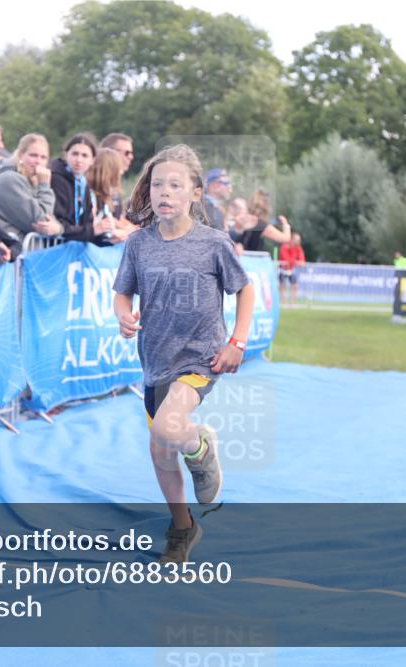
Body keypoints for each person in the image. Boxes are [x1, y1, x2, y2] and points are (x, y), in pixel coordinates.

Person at [113, 144, 255, 563]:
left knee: (171, 427)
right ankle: (182, 527)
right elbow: (122, 294)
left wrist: (238, 342)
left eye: (175, 185)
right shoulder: (139, 245)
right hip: (156, 358)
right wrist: (123, 316)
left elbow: (244, 289)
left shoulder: (213, 243)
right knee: (160, 448)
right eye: (158, 184)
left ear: (196, 193)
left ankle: (201, 447)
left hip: (200, 357)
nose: (164, 192)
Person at [0, 132, 57, 242]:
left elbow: (52, 221)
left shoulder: (28, 180)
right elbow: (42, 222)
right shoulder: (10, 180)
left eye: (43, 157)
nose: (38, 161)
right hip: (9, 252)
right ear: (21, 155)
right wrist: (44, 186)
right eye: (33, 155)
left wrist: (57, 229)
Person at [39, 132, 97, 242]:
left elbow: (88, 222)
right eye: (75, 154)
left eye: (84, 155)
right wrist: (91, 231)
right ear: (66, 155)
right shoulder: (56, 179)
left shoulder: (84, 184)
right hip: (56, 244)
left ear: (92, 161)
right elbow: (60, 222)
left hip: (75, 243)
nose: (79, 160)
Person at [88, 147, 138, 245]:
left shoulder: (112, 194)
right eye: (118, 168)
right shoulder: (90, 194)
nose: (122, 172)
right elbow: (97, 227)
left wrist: (132, 230)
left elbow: (118, 219)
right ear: (109, 171)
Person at [279, 232, 307, 302]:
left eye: (299, 240)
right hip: (282, 269)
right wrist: (297, 262)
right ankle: (283, 301)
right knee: (283, 285)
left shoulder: (298, 248)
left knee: (295, 285)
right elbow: (286, 259)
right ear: (292, 239)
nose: (297, 241)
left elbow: (302, 260)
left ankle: (293, 301)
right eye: (296, 239)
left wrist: (299, 262)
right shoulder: (285, 246)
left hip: (291, 270)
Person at [201, 168, 231, 232]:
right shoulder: (206, 207)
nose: (230, 188)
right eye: (226, 183)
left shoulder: (213, 207)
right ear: (214, 186)